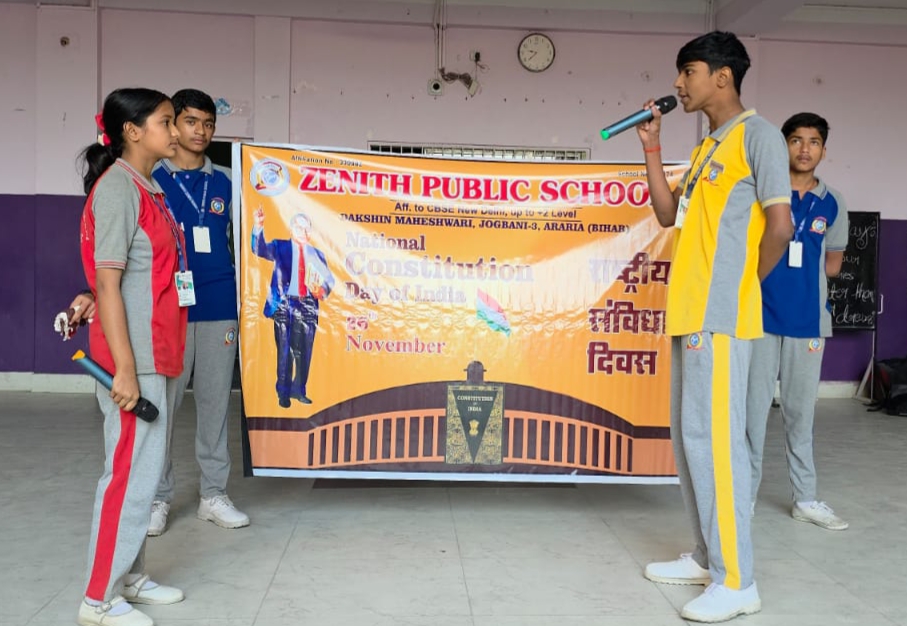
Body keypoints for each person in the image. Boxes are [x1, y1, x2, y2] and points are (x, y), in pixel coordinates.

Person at [635, 31, 793, 622]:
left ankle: (738, 582)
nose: (679, 84)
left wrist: (743, 284)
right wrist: (653, 149)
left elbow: (779, 224)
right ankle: (707, 556)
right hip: (689, 310)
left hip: (720, 316)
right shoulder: (708, 147)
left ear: (721, 76)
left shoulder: (760, 136)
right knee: (689, 440)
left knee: (719, 446)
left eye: (688, 72)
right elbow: (668, 214)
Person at [78, 88, 187, 626]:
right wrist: (123, 367)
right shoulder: (118, 188)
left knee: (145, 475)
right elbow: (107, 282)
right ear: (132, 131)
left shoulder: (149, 187)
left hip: (158, 352)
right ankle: (98, 599)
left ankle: (131, 577)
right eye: (166, 122)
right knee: (125, 475)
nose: (175, 130)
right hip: (135, 360)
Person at [148, 89, 248, 536]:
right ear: (173, 124)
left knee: (214, 404)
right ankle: (156, 496)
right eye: (191, 121)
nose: (200, 131)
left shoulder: (228, 181)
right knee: (162, 407)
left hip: (219, 306)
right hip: (167, 307)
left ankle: (213, 494)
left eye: (208, 123)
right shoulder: (150, 179)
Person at [746, 112, 849, 530]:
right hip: (758, 318)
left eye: (813, 142)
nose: (804, 149)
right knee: (751, 414)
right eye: (795, 140)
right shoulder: (762, 193)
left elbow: (833, 266)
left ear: (824, 149)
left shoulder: (834, 201)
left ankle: (805, 498)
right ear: (783, 146)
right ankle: (744, 497)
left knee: (800, 414)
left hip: (808, 322)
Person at [251, 209, 335, 408]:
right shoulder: (280, 247)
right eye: (298, 226)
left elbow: (329, 280)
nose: (302, 231)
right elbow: (259, 249)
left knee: (304, 351)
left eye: (306, 228)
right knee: (285, 351)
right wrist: (258, 225)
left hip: (308, 305)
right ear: (291, 228)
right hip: (284, 304)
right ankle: (283, 392)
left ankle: (300, 390)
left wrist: (321, 290)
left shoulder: (317, 254)